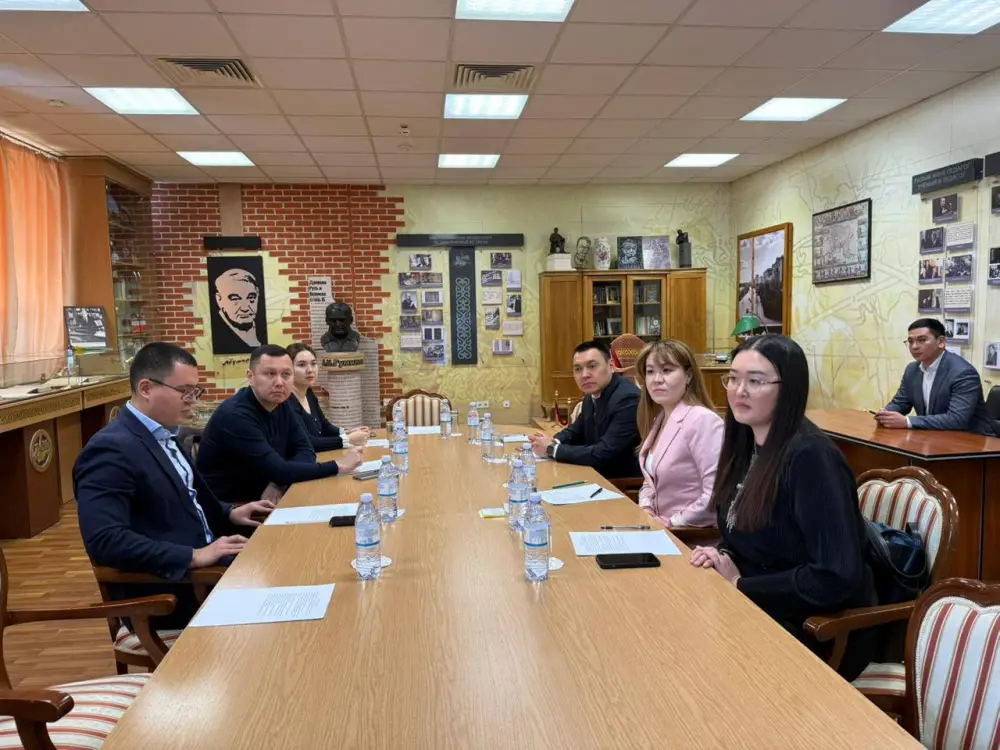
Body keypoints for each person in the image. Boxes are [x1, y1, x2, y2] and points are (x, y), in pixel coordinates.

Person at [689, 334, 878, 681]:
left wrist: (741, 584)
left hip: (818, 630)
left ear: (788, 388)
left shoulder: (811, 458)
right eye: (733, 378)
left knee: (696, 668)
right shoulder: (746, 442)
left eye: (755, 381)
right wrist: (722, 555)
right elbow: (746, 531)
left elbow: (835, 577)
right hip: (759, 609)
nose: (739, 391)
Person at [74, 343, 274, 629]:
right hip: (172, 591)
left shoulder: (163, 433)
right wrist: (193, 556)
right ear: (146, 388)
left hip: (209, 569)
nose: (192, 401)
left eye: (195, 391)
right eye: (185, 391)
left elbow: (185, 499)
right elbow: (106, 541)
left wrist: (229, 512)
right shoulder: (110, 450)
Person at [196, 345, 365, 505]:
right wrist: (338, 466)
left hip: (271, 496)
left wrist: (278, 481)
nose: (279, 382)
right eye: (270, 374)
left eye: (286, 374)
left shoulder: (281, 403)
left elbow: (306, 450)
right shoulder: (236, 415)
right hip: (233, 508)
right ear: (250, 377)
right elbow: (280, 470)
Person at [635, 340, 724, 528]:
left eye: (666, 370)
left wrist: (673, 522)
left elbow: (715, 494)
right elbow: (650, 480)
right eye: (650, 371)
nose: (656, 379)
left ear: (689, 375)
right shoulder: (660, 419)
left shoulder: (703, 420)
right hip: (657, 529)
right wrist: (646, 509)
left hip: (690, 536)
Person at [530, 340, 641, 479]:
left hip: (620, 483)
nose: (584, 375)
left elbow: (603, 453)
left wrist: (552, 449)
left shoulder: (628, 398)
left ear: (611, 366)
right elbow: (576, 431)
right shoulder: (591, 396)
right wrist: (552, 441)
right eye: (578, 369)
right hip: (594, 473)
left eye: (592, 366)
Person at [876, 318, 998, 437]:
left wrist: (907, 421)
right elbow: (900, 402)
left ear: (941, 342)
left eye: (922, 340)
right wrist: (886, 413)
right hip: (934, 436)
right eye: (910, 341)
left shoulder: (963, 373)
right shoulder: (912, 370)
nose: (914, 346)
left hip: (973, 439)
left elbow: (957, 419)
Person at [286, 342, 371, 452]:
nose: (310, 370)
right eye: (301, 365)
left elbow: (324, 426)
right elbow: (307, 442)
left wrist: (347, 432)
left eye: (313, 364)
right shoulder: (287, 401)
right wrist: (348, 439)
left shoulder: (309, 393)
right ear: (288, 369)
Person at [213, 268, 263, 352]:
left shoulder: (262, 329)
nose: (245, 308)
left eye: (251, 298)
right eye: (235, 299)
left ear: (257, 295)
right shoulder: (216, 334)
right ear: (219, 299)